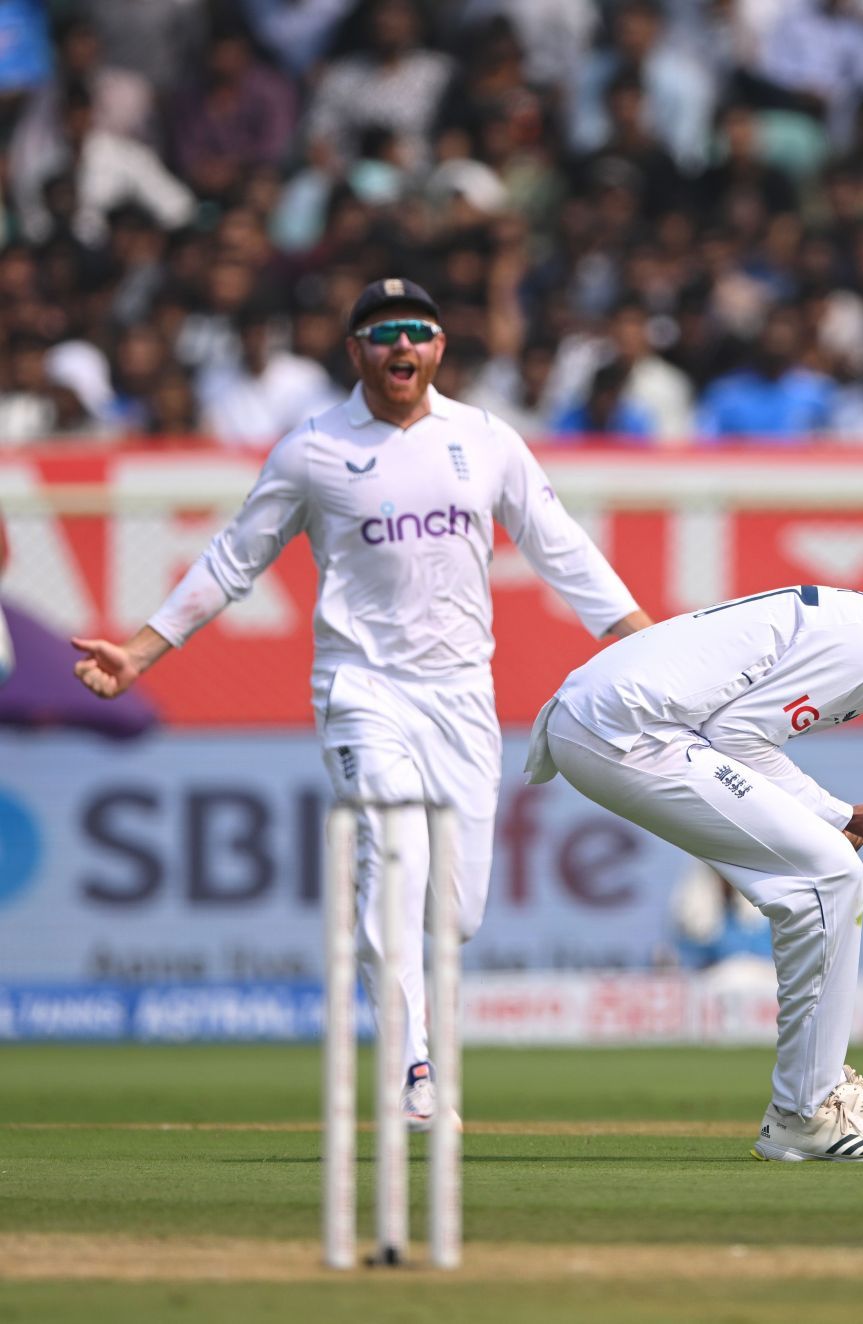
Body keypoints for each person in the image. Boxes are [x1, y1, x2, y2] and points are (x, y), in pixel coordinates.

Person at [71, 278, 652, 1128]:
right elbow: (236, 557)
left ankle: (407, 1000)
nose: (401, 347)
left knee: (452, 915)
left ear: (440, 347)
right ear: (357, 353)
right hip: (362, 690)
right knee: (394, 865)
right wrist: (140, 650)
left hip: (461, 697)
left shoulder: (486, 441)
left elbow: (560, 549)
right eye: (383, 335)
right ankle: (416, 1075)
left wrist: (646, 640)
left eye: (417, 331)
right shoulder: (312, 448)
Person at [525, 587, 863, 1162]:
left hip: (611, 722)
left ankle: (818, 1088)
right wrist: (835, 814)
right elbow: (736, 736)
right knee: (833, 872)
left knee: (813, 890)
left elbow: (732, 729)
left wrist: (834, 815)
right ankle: (807, 1112)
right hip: (624, 730)